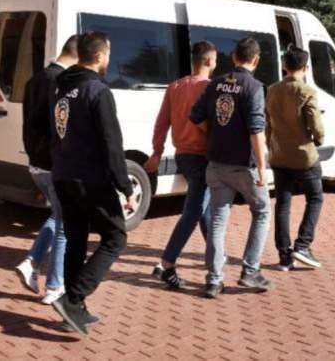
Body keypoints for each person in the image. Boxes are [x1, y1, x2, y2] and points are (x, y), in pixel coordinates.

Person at [49, 32, 135, 336]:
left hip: (63, 174)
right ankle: (72, 299)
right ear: (99, 56)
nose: (109, 59)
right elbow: (112, 142)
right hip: (90, 178)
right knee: (115, 238)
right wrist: (125, 187)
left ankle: (73, 312)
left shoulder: (61, 87)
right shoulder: (97, 90)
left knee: (76, 241)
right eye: (108, 53)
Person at [190, 37, 273, 299]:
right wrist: (262, 167)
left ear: (234, 57)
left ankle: (214, 280)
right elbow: (256, 131)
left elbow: (196, 116)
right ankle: (250, 270)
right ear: (255, 60)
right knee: (262, 211)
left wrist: (214, 133)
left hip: (216, 163)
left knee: (217, 220)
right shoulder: (254, 87)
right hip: (243, 165)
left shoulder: (215, 83)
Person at [145, 41, 218, 289]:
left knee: (204, 207)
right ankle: (166, 263)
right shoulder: (209, 87)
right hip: (202, 156)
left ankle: (215, 258)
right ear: (209, 61)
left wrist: (157, 152)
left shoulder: (175, 86)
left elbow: (161, 122)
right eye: (215, 59)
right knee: (194, 211)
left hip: (183, 156)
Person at [16, 35, 79, 305]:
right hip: (55, 164)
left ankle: (32, 262)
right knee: (65, 223)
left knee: (57, 215)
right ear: (77, 56)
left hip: (36, 162)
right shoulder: (62, 82)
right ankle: (54, 285)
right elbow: (62, 128)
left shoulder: (35, 79)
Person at [266, 45, 325, 270]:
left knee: (283, 204)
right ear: (305, 68)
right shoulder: (307, 91)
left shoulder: (272, 90)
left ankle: (284, 256)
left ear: (284, 65)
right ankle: (303, 245)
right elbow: (316, 125)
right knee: (315, 198)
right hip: (304, 157)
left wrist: (270, 145)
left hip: (279, 155)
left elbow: (267, 123)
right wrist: (319, 139)